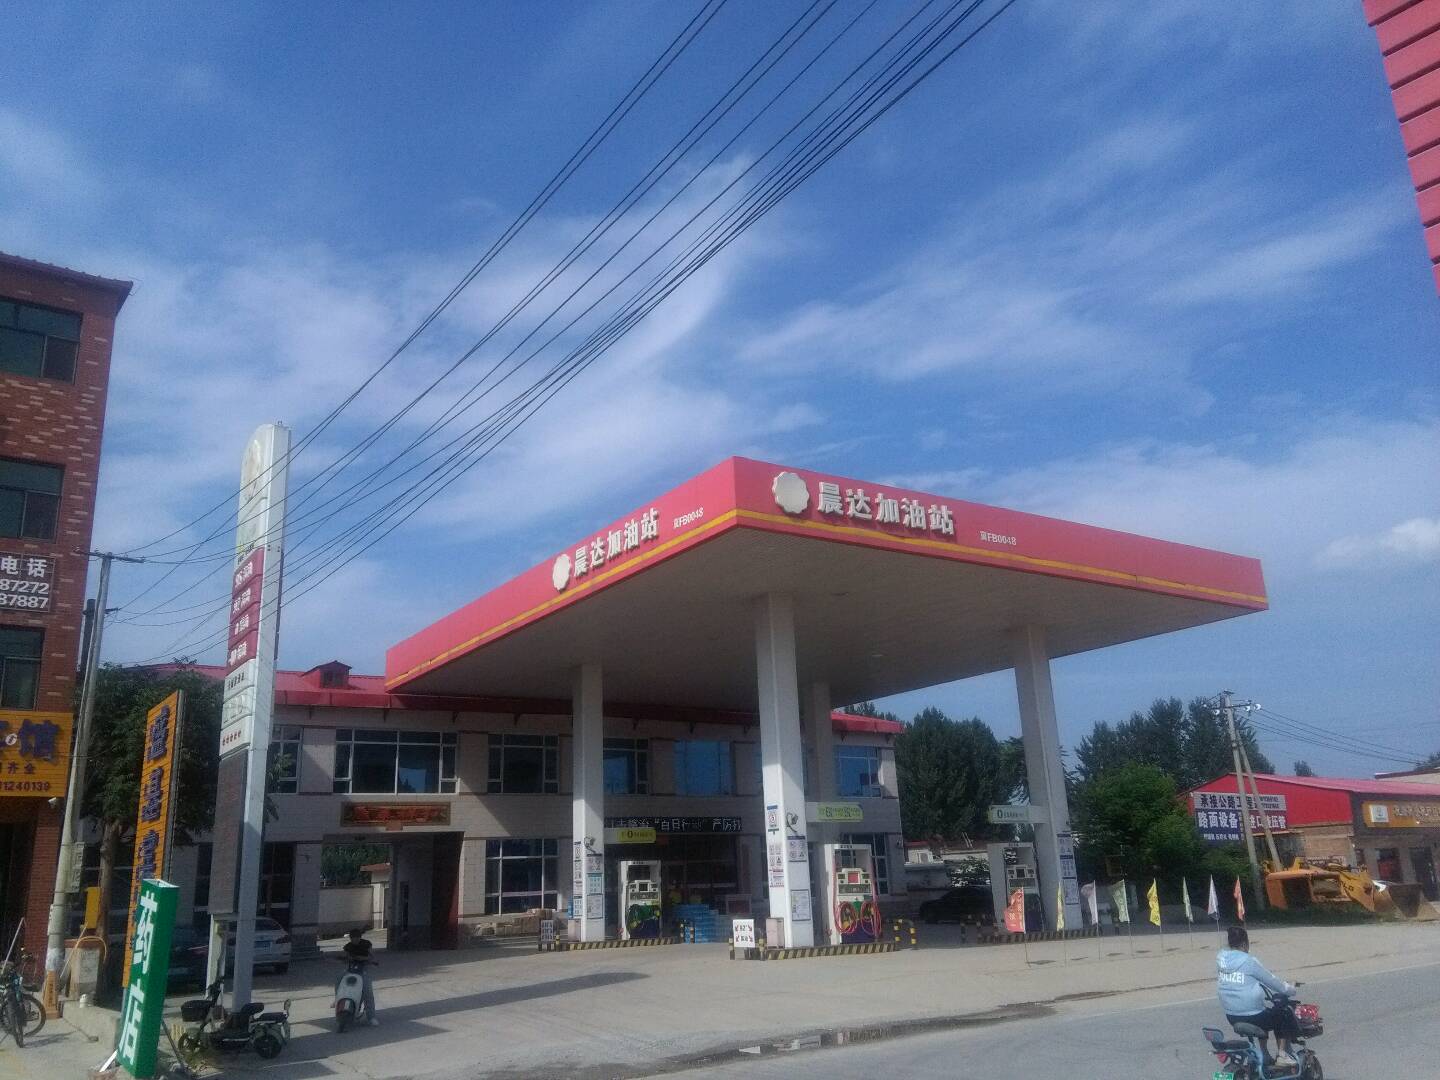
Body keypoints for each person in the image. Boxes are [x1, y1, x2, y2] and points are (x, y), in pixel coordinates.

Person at [1216, 925, 1298, 1069]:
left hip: (1232, 1016)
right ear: (1244, 944)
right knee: (1282, 1013)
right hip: (1253, 1016)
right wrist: (1290, 989)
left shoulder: (1221, 960)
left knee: (1264, 1012)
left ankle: (1264, 1054)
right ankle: (1282, 1055)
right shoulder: (1249, 961)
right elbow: (1273, 982)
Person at [342, 928, 379, 1026]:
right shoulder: (348, 946)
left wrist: (364, 959)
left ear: (360, 937)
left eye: (357, 938)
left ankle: (371, 1017)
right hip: (351, 969)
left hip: (364, 969)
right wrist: (347, 959)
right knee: (342, 982)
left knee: (367, 992)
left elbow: (373, 957)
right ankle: (342, 1006)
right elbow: (345, 957)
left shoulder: (366, 944)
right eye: (353, 938)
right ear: (350, 938)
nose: (355, 940)